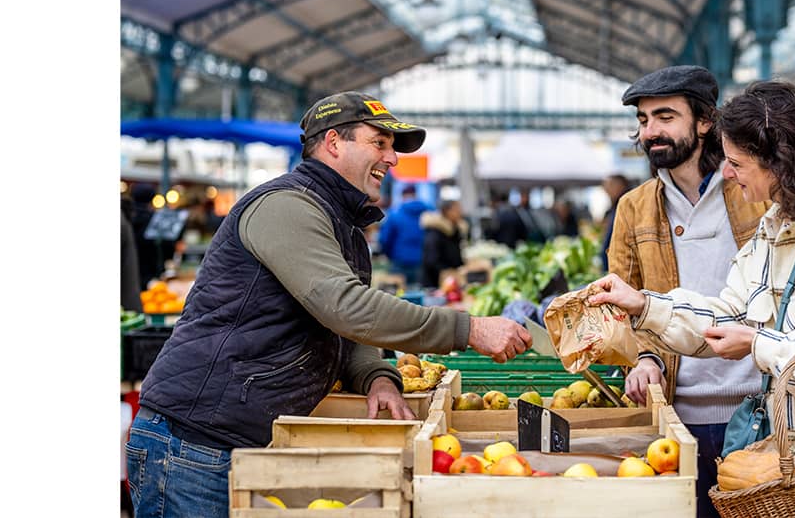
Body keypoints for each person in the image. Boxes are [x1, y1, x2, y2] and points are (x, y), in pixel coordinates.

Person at [125, 91, 531, 518]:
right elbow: (345, 307)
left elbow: (347, 328)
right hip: (195, 445)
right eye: (380, 143)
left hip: (244, 443)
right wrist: (468, 329)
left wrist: (375, 376)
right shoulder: (287, 207)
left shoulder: (344, 225)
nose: (392, 159)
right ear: (334, 142)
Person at [589, 80, 795, 458]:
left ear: (778, 162)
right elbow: (728, 314)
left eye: (737, 163)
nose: (727, 173)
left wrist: (757, 344)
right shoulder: (771, 232)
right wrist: (644, 304)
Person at [607, 64, 771, 518]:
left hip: (759, 409)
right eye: (643, 121)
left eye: (665, 117)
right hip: (677, 417)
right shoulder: (633, 208)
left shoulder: (754, 193)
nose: (650, 132)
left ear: (704, 122)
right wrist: (644, 358)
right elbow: (624, 303)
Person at [378, 185, 433, 287]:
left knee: (399, 295)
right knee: (419, 295)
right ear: (415, 195)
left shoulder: (395, 214)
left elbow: (384, 239)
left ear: (403, 196)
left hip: (399, 261)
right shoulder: (428, 212)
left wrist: (389, 255)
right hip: (421, 261)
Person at [420, 199, 467, 288]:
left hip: (451, 281)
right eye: (456, 210)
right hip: (435, 284)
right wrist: (448, 272)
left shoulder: (455, 230)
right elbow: (432, 260)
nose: (460, 212)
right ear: (446, 211)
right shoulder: (435, 233)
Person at [599, 174, 631, 271]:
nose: (606, 189)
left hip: (622, 265)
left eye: (610, 185)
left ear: (621, 185)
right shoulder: (615, 205)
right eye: (605, 186)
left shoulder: (628, 204)